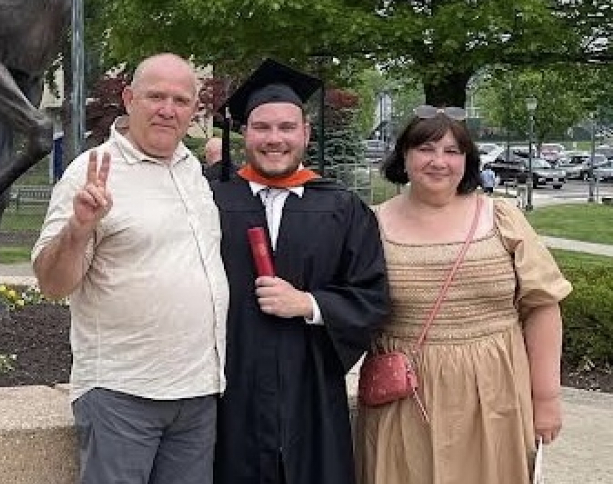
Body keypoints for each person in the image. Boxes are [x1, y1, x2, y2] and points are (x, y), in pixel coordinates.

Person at [31, 53, 229, 484]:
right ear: (128, 99)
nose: (167, 109)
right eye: (155, 96)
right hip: (123, 395)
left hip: (196, 394)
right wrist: (79, 229)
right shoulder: (92, 171)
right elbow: (51, 284)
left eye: (181, 100)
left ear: (195, 110)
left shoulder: (191, 169)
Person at [355, 105, 572, 484]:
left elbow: (543, 306)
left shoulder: (501, 218)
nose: (439, 161)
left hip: (497, 393)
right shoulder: (369, 225)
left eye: (452, 151)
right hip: (405, 398)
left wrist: (547, 398)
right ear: (403, 156)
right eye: (426, 149)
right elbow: (346, 306)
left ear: (467, 161)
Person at [210, 58, 391, 484]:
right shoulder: (210, 203)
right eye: (262, 127)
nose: (275, 139)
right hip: (229, 389)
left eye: (287, 127)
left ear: (305, 134)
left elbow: (372, 294)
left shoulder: (342, 208)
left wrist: (309, 304)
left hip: (308, 387)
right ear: (244, 133)